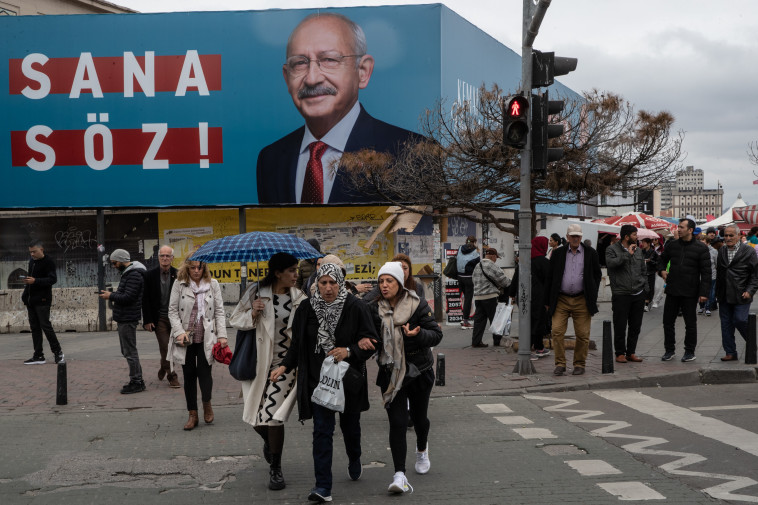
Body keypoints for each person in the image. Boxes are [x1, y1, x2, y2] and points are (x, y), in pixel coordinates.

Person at [256, 12, 422, 205]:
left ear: (363, 72)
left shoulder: (412, 156)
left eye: (329, 60)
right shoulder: (271, 160)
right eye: (300, 63)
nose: (312, 78)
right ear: (287, 77)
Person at [270, 263, 377, 504]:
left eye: (332, 282)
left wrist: (348, 351)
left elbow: (371, 340)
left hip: (347, 381)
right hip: (319, 382)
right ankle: (323, 486)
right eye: (323, 282)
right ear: (316, 284)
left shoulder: (355, 307)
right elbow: (296, 344)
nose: (328, 288)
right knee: (321, 432)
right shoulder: (307, 308)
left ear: (340, 283)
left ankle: (354, 456)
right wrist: (284, 366)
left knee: (350, 428)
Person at [363, 261, 443, 495]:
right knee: (397, 422)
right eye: (381, 281)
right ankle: (399, 475)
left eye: (389, 281)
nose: (384, 285)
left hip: (418, 370)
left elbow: (436, 335)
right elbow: (367, 335)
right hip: (390, 372)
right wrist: (364, 342)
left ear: (399, 283)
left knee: (419, 419)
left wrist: (417, 336)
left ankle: (421, 448)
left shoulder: (417, 305)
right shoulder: (373, 308)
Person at [231, 252, 308, 491]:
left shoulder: (301, 298)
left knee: (274, 417)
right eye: (291, 270)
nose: (296, 275)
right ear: (277, 273)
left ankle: (276, 468)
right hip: (258, 364)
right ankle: (270, 443)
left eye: (297, 270)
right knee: (254, 417)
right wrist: (252, 312)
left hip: (286, 365)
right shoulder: (256, 292)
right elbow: (236, 320)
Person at [167, 259, 228, 431]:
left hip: (206, 336)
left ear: (204, 268)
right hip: (185, 337)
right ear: (187, 268)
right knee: (189, 375)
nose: (196, 271)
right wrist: (179, 332)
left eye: (199, 268)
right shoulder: (180, 284)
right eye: (192, 267)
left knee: (205, 372)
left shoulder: (213, 284)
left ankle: (207, 402)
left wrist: (222, 335)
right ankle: (192, 413)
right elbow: (172, 310)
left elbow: (219, 311)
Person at [544, 224, 602, 376]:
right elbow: (550, 277)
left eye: (578, 236)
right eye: (573, 236)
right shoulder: (558, 253)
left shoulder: (591, 253)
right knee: (556, 331)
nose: (576, 238)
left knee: (583, 334)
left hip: (582, 299)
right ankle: (560, 363)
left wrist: (592, 293)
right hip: (561, 298)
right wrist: (547, 300)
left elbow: (597, 275)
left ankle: (579, 364)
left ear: (581, 237)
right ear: (567, 237)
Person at [657, 218, 711, 362]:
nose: (678, 229)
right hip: (672, 289)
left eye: (681, 227)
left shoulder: (701, 248)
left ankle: (689, 351)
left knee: (690, 323)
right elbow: (661, 260)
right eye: (678, 227)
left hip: (690, 291)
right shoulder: (672, 245)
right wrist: (662, 270)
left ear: (690, 230)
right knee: (668, 322)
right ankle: (669, 350)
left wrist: (704, 293)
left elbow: (706, 273)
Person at [99, 249, 147, 394]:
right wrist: (114, 294)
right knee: (127, 350)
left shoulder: (133, 275)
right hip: (125, 317)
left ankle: (137, 381)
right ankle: (136, 379)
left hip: (128, 317)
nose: (114, 266)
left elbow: (128, 297)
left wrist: (111, 296)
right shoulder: (128, 274)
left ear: (121, 261)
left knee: (130, 351)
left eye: (114, 263)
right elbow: (126, 294)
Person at [605, 225, 647, 363]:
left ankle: (631, 352)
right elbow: (611, 264)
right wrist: (627, 254)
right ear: (626, 237)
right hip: (621, 293)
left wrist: (645, 289)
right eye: (635, 235)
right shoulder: (611, 249)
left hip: (638, 293)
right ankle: (620, 353)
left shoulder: (639, 251)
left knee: (635, 325)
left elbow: (643, 271)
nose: (637, 237)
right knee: (620, 325)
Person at [716, 224, 758, 362]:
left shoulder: (748, 251)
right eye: (726, 235)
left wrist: (750, 291)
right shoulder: (722, 250)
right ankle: (730, 352)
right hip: (724, 294)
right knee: (726, 324)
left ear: (739, 236)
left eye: (731, 235)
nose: (727, 238)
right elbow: (720, 272)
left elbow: (755, 274)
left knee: (740, 320)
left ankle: (752, 344)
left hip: (741, 294)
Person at [141, 245, 180, 388]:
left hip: (175, 317)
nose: (165, 258)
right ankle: (172, 376)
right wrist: (147, 320)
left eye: (167, 256)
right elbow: (145, 299)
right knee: (165, 347)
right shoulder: (149, 275)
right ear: (158, 258)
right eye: (162, 255)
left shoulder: (178, 274)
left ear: (172, 258)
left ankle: (164, 366)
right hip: (160, 318)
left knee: (175, 347)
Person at [21, 241, 64, 365]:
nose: (32, 254)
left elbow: (52, 279)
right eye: (30, 252)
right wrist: (25, 295)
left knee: (46, 326)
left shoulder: (48, 262)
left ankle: (58, 353)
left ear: (42, 249)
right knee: (35, 328)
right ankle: (38, 355)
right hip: (30, 300)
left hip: (43, 300)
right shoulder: (31, 261)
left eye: (34, 251)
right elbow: (31, 279)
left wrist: (35, 281)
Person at [509, 236, 551, 359]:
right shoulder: (544, 262)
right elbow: (549, 281)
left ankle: (538, 347)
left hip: (523, 296)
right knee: (538, 323)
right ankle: (530, 349)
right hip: (539, 297)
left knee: (526, 321)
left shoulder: (524, 260)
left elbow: (516, 277)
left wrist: (512, 294)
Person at [471, 248, 510, 347]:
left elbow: (473, 280)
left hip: (478, 297)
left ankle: (476, 341)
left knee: (479, 321)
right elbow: (503, 281)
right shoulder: (492, 265)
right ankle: (497, 342)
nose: (496, 259)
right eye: (496, 257)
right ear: (493, 256)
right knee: (495, 320)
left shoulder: (477, 266)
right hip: (490, 296)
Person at [456, 235, 479, 329]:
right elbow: (478, 264)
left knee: (464, 298)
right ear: (474, 242)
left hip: (460, 277)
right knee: (468, 300)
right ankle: (465, 321)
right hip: (469, 277)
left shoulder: (460, 248)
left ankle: (463, 318)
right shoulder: (475, 251)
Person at [698, 235, 718, 316]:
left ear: (708, 243)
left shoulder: (714, 251)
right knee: (700, 291)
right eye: (701, 243)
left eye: (704, 243)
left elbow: (716, 264)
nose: (702, 245)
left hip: (711, 275)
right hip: (700, 275)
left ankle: (707, 307)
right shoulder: (697, 251)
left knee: (709, 292)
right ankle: (701, 306)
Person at [639, 237, 658, 312]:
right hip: (642, 272)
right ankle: (644, 303)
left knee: (649, 288)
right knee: (642, 288)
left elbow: (657, 263)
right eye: (642, 242)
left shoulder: (653, 252)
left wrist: (650, 261)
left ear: (648, 243)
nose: (642, 244)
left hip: (650, 272)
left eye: (644, 242)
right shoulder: (641, 251)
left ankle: (647, 303)